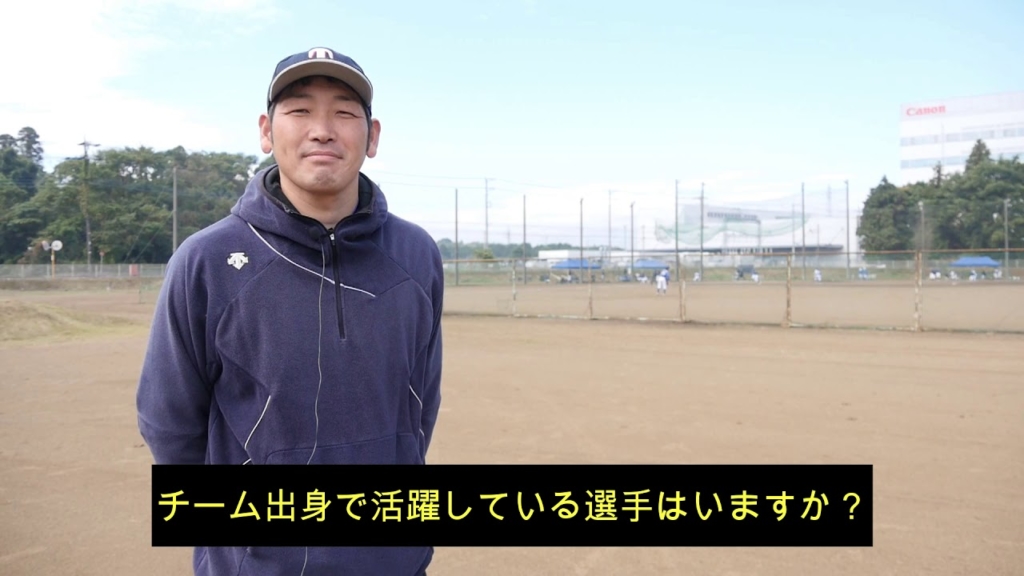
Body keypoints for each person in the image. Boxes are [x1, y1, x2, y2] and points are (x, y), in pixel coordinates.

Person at [136, 47, 444, 576]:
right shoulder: (207, 259)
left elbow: (420, 405)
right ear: (266, 131)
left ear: (371, 137)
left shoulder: (415, 255)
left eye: (344, 112)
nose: (322, 130)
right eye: (300, 110)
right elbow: (169, 423)